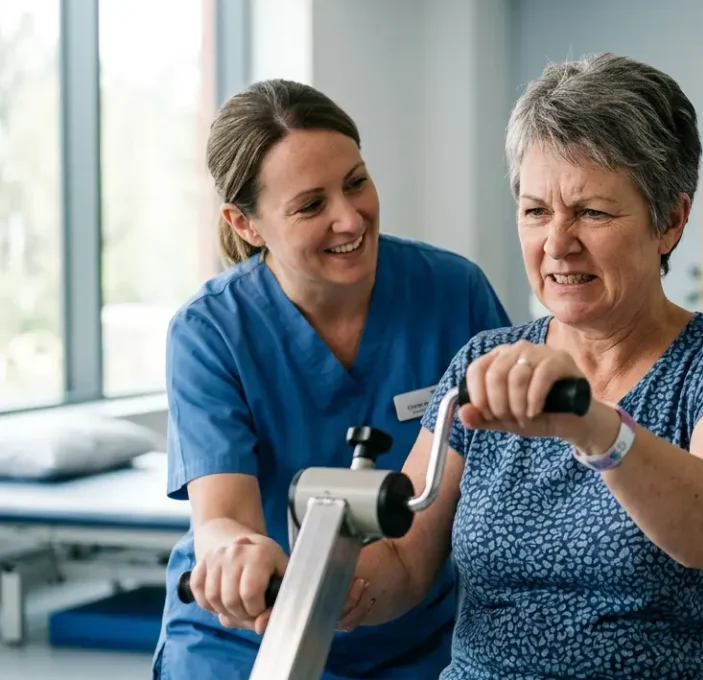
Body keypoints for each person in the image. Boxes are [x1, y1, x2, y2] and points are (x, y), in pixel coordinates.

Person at [334, 53, 703, 679]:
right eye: (535, 211)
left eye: (591, 212)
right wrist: (311, 581)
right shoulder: (484, 363)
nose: (557, 242)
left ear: (671, 221)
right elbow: (404, 564)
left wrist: (589, 423)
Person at [152, 79, 511, 680]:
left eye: (356, 183)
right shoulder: (211, 331)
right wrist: (235, 558)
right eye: (311, 205)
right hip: (248, 637)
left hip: (417, 641)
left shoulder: (453, 293)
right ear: (246, 224)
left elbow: (511, 475)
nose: (350, 218)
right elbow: (222, 519)